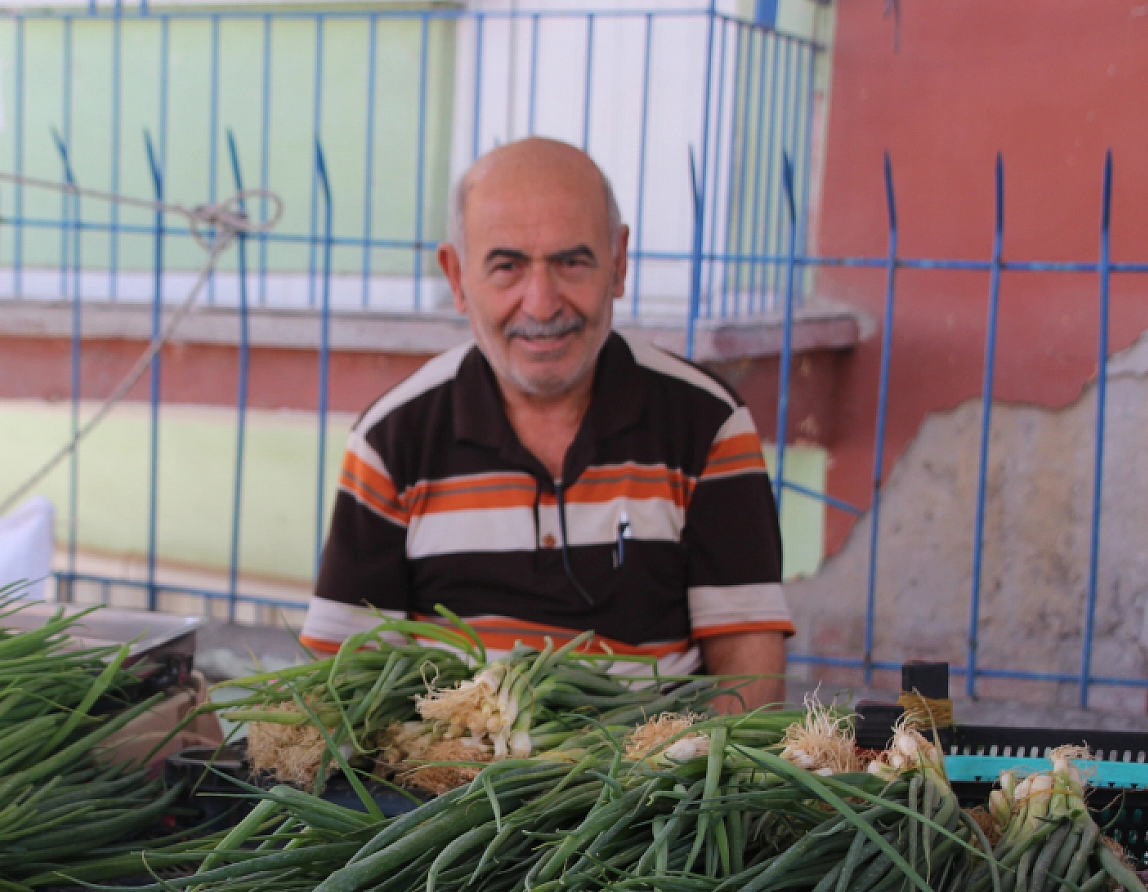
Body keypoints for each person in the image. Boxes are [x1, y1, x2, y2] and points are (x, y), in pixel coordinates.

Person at [300, 137, 791, 711]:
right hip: (444, 766)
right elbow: (344, 678)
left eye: (571, 263)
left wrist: (698, 766)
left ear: (619, 262)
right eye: (507, 267)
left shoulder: (706, 424)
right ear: (456, 277)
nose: (541, 304)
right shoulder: (393, 439)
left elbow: (749, 662)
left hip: (658, 765)